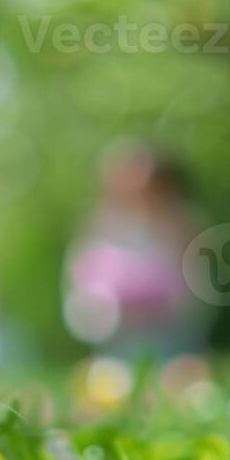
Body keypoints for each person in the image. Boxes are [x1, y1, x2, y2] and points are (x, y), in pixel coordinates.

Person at [62, 140, 208, 357]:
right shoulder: (100, 222)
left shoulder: (179, 221)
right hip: (118, 327)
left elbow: (196, 277)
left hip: (169, 325)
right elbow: (83, 272)